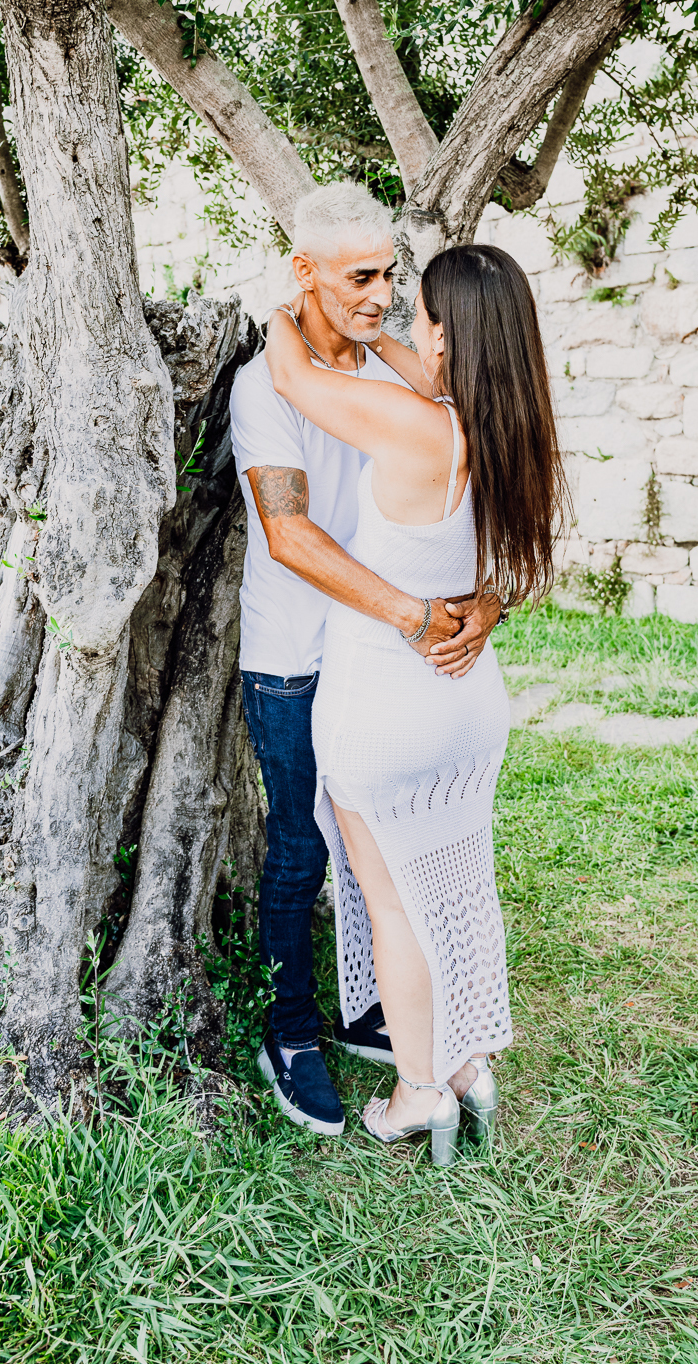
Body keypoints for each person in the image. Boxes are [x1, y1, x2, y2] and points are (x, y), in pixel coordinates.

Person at [264, 241, 566, 1164]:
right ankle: (469, 1062)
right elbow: (417, 364)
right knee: (458, 888)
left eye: (420, 316)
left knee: (395, 904)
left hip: (385, 706)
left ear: (444, 339)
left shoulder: (409, 426)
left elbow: (293, 372)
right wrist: (415, 348)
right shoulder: (507, 423)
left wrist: (294, 293)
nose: (405, 326)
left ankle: (419, 1090)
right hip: (468, 704)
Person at [229, 183, 502, 1137]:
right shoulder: (266, 383)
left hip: (379, 664)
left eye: (392, 273)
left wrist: (484, 600)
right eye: (360, 275)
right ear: (301, 272)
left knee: (379, 851)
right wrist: (413, 615)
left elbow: (476, 474)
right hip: (295, 656)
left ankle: (383, 1010)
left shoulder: (398, 373)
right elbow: (291, 533)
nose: (384, 291)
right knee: (303, 851)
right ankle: (291, 1028)